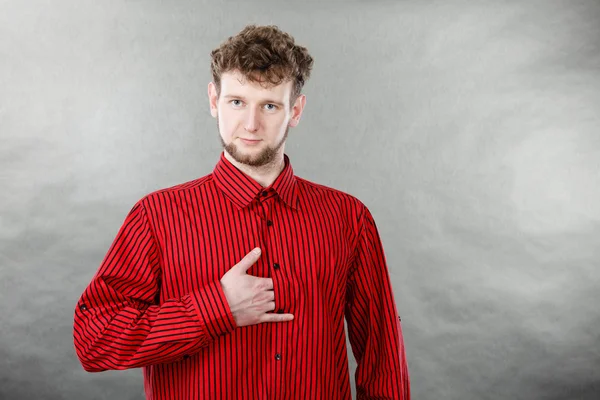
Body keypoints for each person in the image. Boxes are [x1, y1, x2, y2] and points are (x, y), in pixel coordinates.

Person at [73, 24, 410, 400]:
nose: (251, 124)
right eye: (237, 102)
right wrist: (216, 306)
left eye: (269, 105)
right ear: (214, 100)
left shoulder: (349, 219)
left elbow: (384, 363)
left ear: (295, 110)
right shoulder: (157, 217)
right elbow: (94, 340)